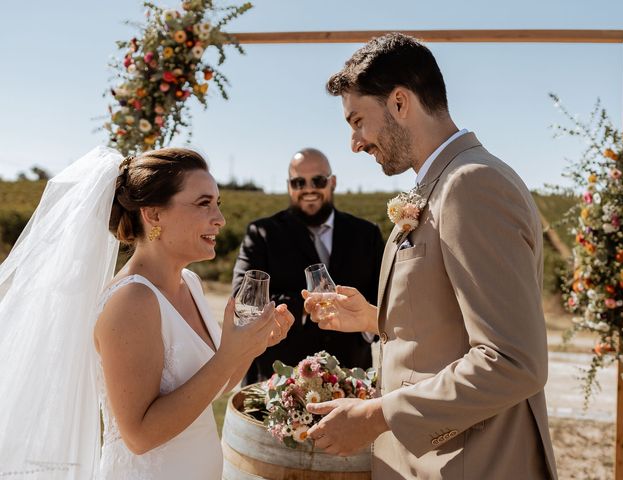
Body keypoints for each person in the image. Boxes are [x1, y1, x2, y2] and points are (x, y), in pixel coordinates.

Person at [303, 33, 558, 479]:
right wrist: (373, 319)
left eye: (358, 120)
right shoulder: (441, 183)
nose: (355, 143)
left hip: (475, 462)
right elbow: (455, 321)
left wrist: (376, 416)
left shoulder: (471, 185)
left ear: (400, 103)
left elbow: (513, 361)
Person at [0, 146, 293, 479]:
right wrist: (228, 356)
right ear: (153, 215)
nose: (220, 219)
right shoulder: (131, 301)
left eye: (218, 204)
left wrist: (251, 346)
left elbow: (213, 384)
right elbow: (140, 436)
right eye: (203, 204)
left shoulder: (190, 282)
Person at [232, 148, 384, 384]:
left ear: (332, 182)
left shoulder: (367, 234)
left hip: (352, 383)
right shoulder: (262, 233)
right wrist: (305, 306)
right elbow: (244, 299)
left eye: (318, 180)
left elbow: (384, 302)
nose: (309, 188)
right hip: (278, 385)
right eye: (299, 182)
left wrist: (365, 326)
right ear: (289, 186)